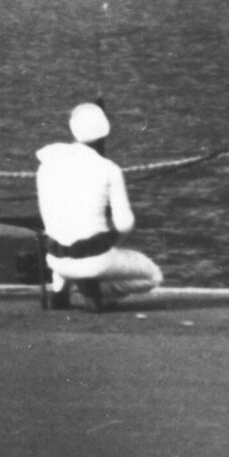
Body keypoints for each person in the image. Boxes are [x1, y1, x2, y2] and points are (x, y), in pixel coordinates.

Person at [34, 102, 162, 308]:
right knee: (153, 276)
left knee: (65, 230)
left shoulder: (46, 164)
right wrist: (110, 241)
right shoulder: (109, 169)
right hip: (95, 260)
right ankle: (96, 292)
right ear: (104, 135)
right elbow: (125, 223)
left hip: (55, 259)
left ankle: (60, 289)